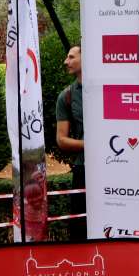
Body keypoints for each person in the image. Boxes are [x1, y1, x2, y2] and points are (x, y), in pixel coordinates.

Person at [55, 44, 86, 240]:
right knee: (80, 230)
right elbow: (61, 140)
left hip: (118, 169)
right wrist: (91, 145)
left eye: (71, 57)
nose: (66, 61)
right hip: (83, 170)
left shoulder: (111, 86)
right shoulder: (66, 96)